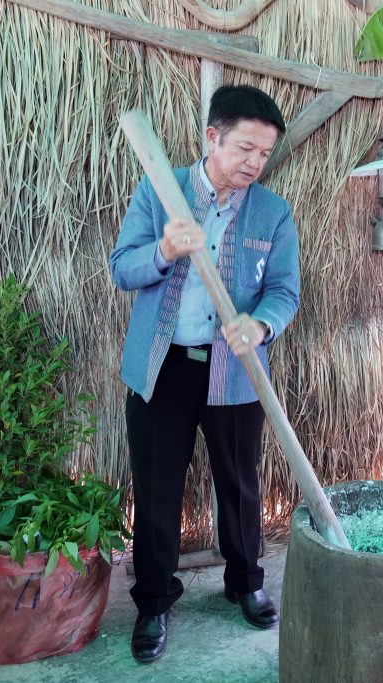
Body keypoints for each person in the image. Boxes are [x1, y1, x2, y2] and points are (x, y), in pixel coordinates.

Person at [110, 84, 300, 664]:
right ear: (212, 137)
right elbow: (122, 268)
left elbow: (284, 291)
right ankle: (153, 602)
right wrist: (163, 251)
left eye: (263, 153)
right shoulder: (158, 189)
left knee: (240, 485)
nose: (254, 163)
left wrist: (260, 325)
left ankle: (246, 582)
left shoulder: (272, 212)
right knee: (157, 490)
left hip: (235, 369)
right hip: (161, 368)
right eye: (244, 148)